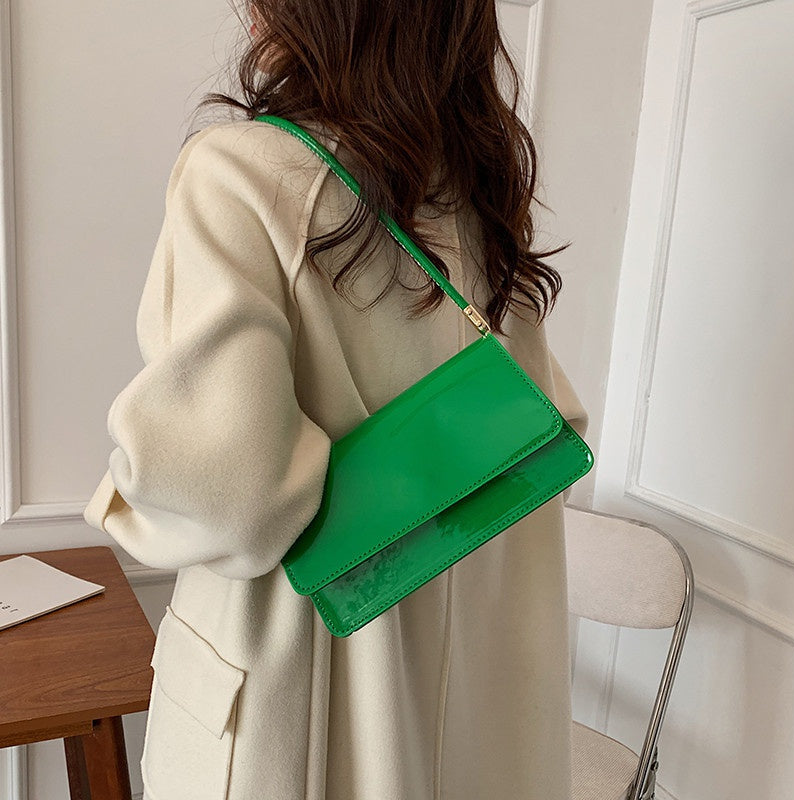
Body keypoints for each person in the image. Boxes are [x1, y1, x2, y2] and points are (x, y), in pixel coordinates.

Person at [83, 1, 590, 798]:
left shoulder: (241, 175)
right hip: (480, 698)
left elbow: (228, 499)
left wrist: (119, 502)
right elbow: (541, 427)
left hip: (302, 694)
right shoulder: (483, 196)